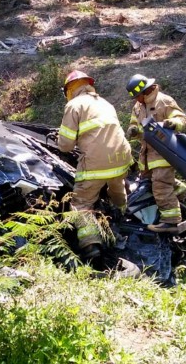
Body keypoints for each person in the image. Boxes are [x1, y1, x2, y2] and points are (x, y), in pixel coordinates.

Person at [57, 70, 133, 260]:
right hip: (122, 158)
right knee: (117, 191)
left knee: (81, 203)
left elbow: (65, 145)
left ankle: (91, 246)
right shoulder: (105, 103)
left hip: (96, 163)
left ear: (70, 89)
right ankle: (123, 218)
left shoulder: (74, 105)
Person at [125, 74, 186, 232]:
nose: (136, 99)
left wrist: (173, 123)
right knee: (155, 183)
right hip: (146, 156)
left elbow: (182, 118)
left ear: (145, 91)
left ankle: (171, 221)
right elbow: (134, 123)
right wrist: (132, 130)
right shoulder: (138, 107)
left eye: (137, 96)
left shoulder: (163, 101)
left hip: (164, 153)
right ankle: (185, 194)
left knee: (160, 185)